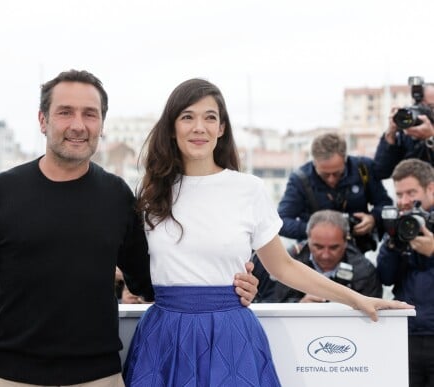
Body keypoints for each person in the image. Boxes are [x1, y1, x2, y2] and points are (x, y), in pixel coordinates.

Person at [0, 69, 261, 387]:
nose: (78, 125)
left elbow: (150, 279)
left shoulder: (117, 196)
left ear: (101, 124)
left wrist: (229, 284)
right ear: (43, 121)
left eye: (90, 114)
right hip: (14, 378)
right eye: (65, 113)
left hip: (101, 378)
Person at [123, 78, 413, 386]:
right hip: (165, 337)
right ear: (171, 127)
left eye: (210, 117)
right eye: (187, 117)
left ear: (222, 128)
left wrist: (357, 300)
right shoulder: (152, 195)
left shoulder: (247, 189)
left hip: (230, 337)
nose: (199, 127)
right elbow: (130, 264)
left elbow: (283, 266)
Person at [277, 132, 392, 253]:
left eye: (337, 173)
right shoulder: (300, 179)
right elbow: (281, 221)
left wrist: (373, 218)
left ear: (345, 159)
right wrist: (315, 230)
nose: (331, 179)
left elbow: (385, 204)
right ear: (314, 162)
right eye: (325, 175)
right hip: (315, 253)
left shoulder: (363, 169)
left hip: (357, 250)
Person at [376, 158, 434, 386]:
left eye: (411, 193)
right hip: (406, 333)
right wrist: (393, 243)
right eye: (399, 195)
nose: (404, 201)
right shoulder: (399, 226)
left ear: (431, 188)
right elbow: (385, 278)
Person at [269, 209, 382, 303]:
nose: (325, 255)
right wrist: (299, 305)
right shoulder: (286, 264)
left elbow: (373, 317)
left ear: (346, 242)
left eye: (334, 248)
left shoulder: (364, 271)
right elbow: (271, 304)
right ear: (308, 239)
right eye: (318, 247)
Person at [373, 83, 434, 180]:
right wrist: (391, 134)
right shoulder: (406, 135)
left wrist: (431, 138)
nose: (423, 112)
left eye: (430, 107)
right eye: (418, 105)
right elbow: (380, 172)